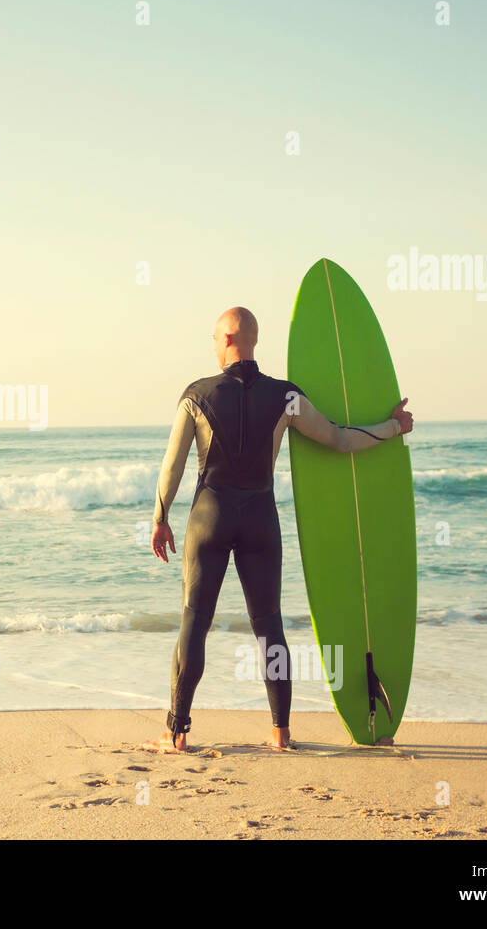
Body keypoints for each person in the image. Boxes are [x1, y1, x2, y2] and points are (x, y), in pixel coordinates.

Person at [146, 306, 412, 752]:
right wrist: (391, 427)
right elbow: (339, 439)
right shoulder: (286, 397)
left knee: (194, 622)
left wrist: (160, 518)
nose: (212, 346)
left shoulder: (196, 394)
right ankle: (280, 734)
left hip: (208, 516)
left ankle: (176, 733)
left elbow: (172, 465)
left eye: (214, 338)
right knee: (269, 626)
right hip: (260, 521)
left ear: (229, 339)